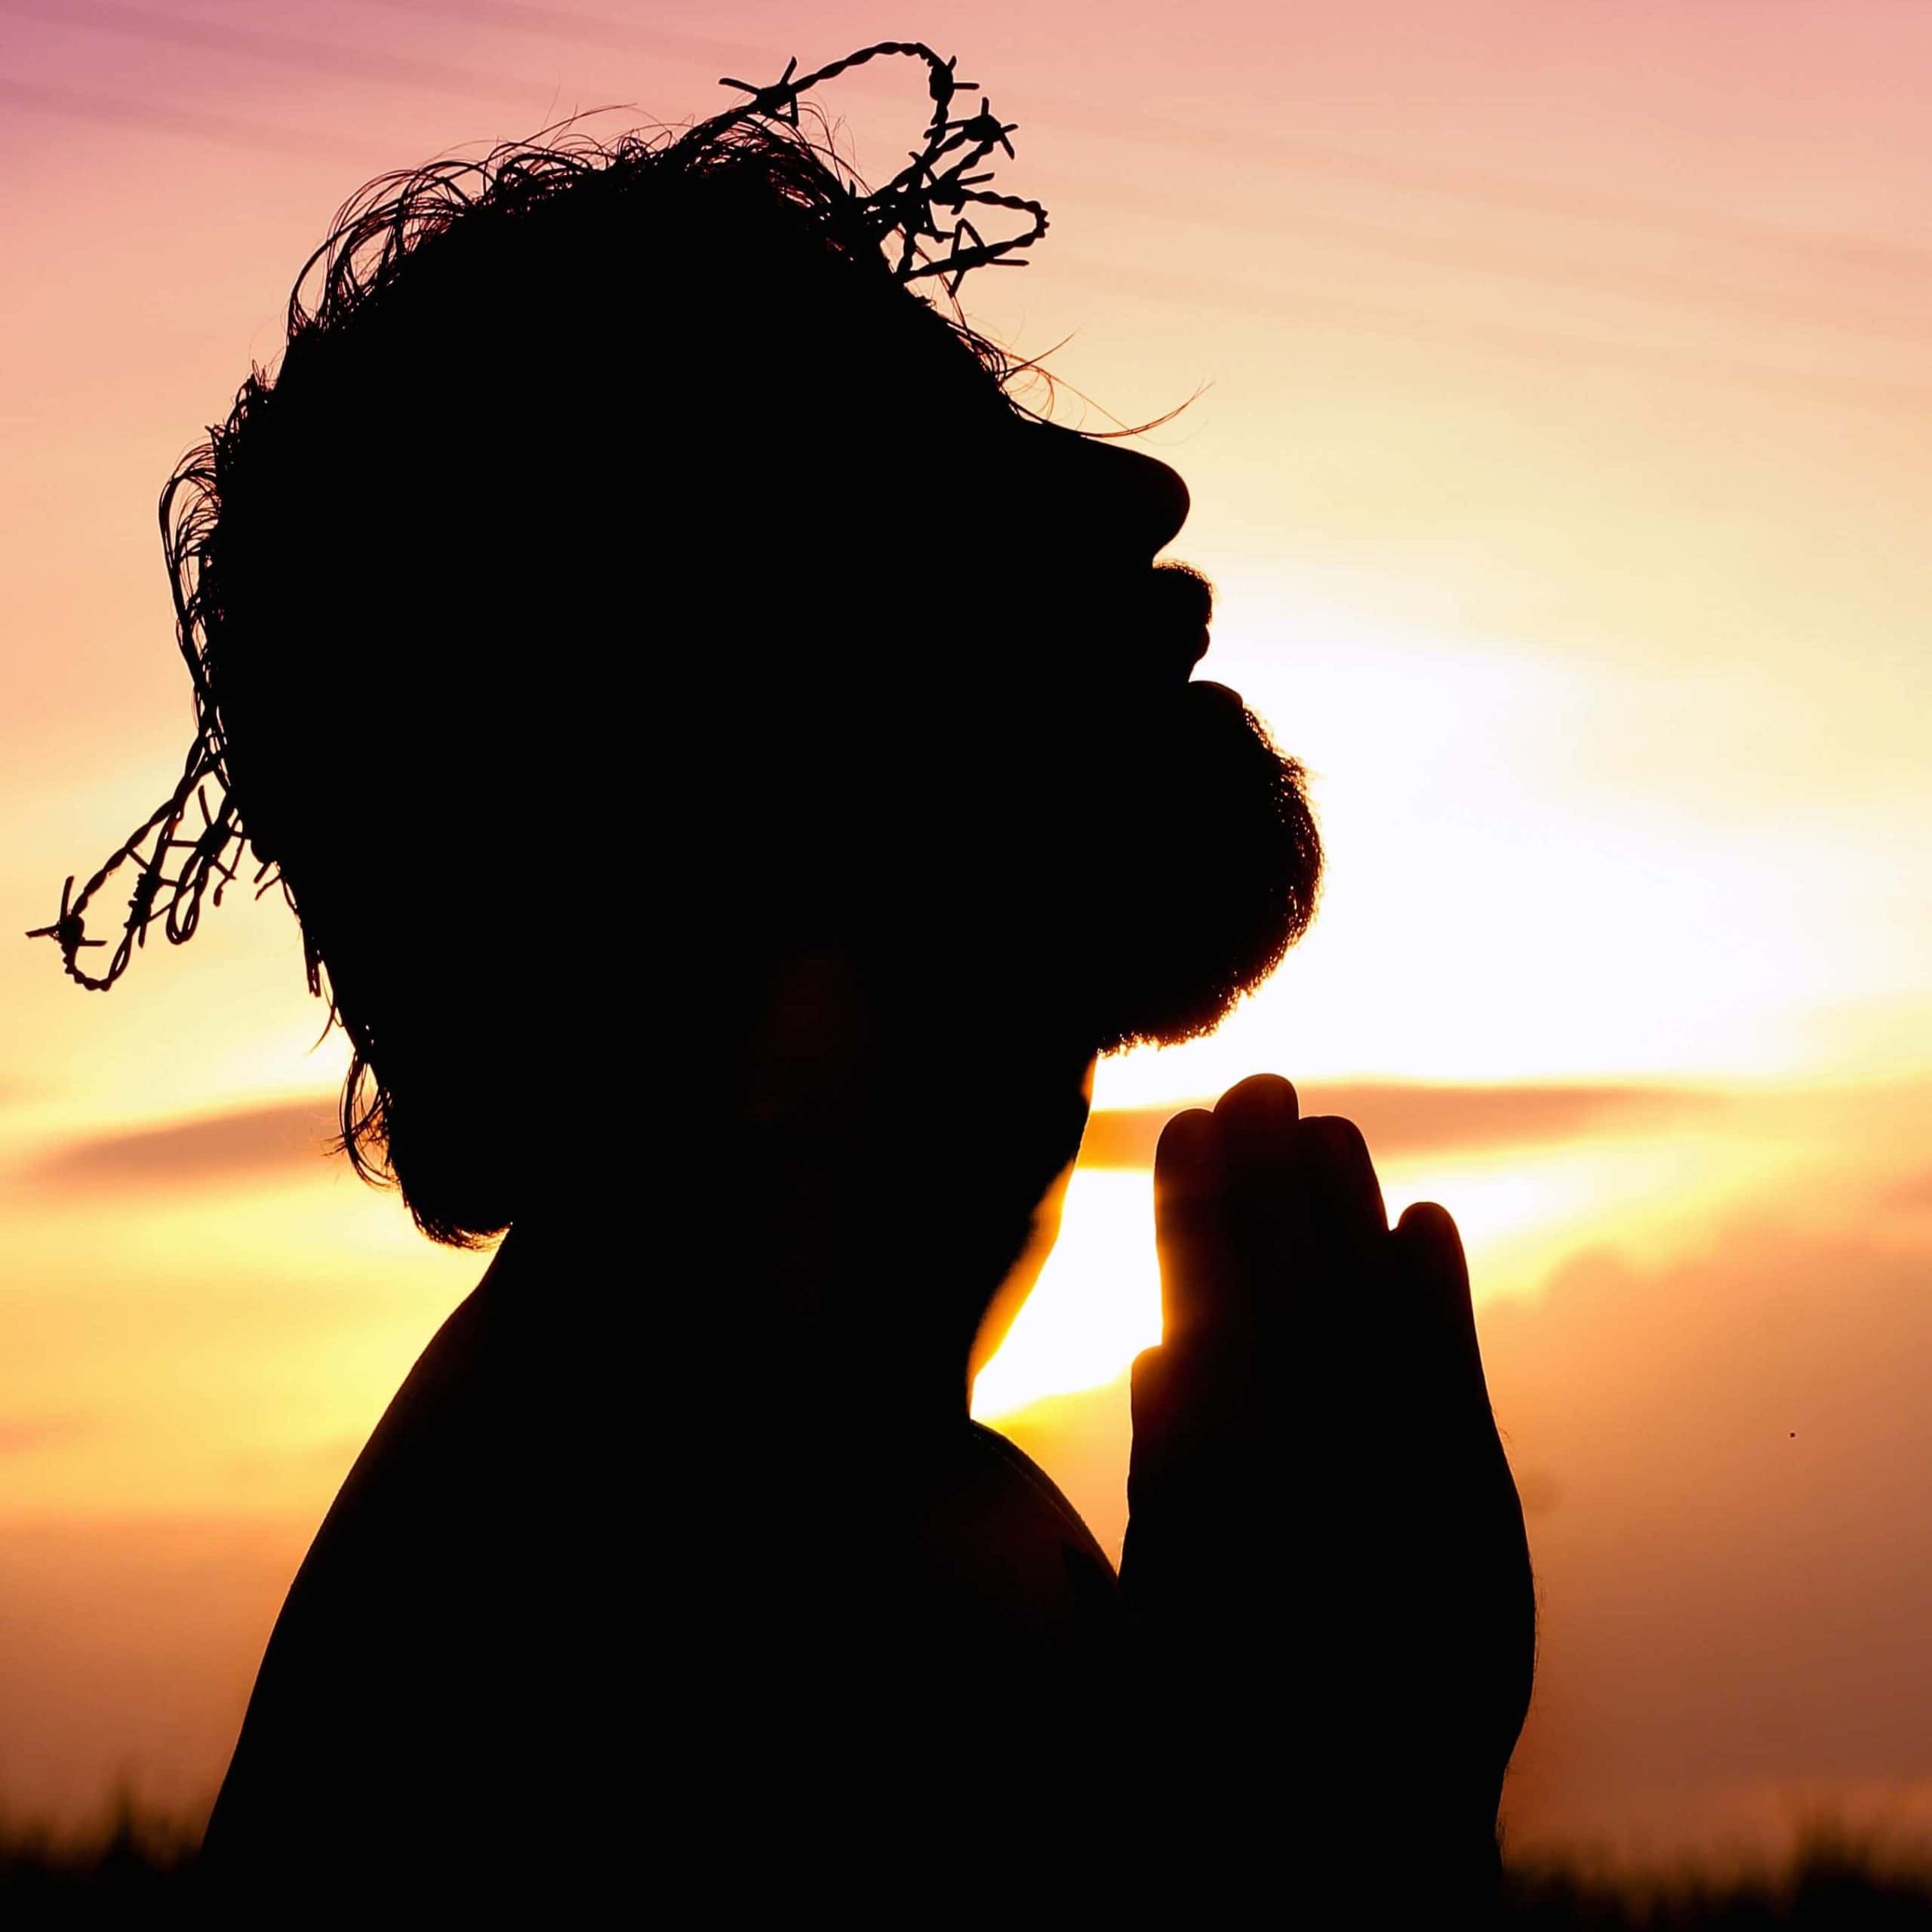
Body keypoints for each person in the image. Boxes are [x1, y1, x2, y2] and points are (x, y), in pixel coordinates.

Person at [33, 44, 1533, 1915]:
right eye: (930, 487)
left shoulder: (750, 1504)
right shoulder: (694, 1652)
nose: (1126, 498)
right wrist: (1345, 1805)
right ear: (688, 745)